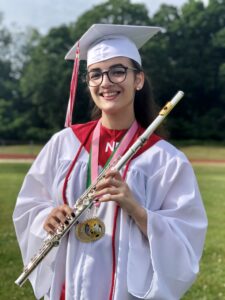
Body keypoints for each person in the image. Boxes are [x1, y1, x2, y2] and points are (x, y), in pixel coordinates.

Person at [13, 24, 207, 300]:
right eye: (96, 74)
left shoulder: (165, 159)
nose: (106, 82)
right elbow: (29, 205)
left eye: (118, 71)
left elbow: (186, 237)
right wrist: (47, 216)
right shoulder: (64, 143)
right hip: (68, 288)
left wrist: (136, 209)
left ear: (138, 79)